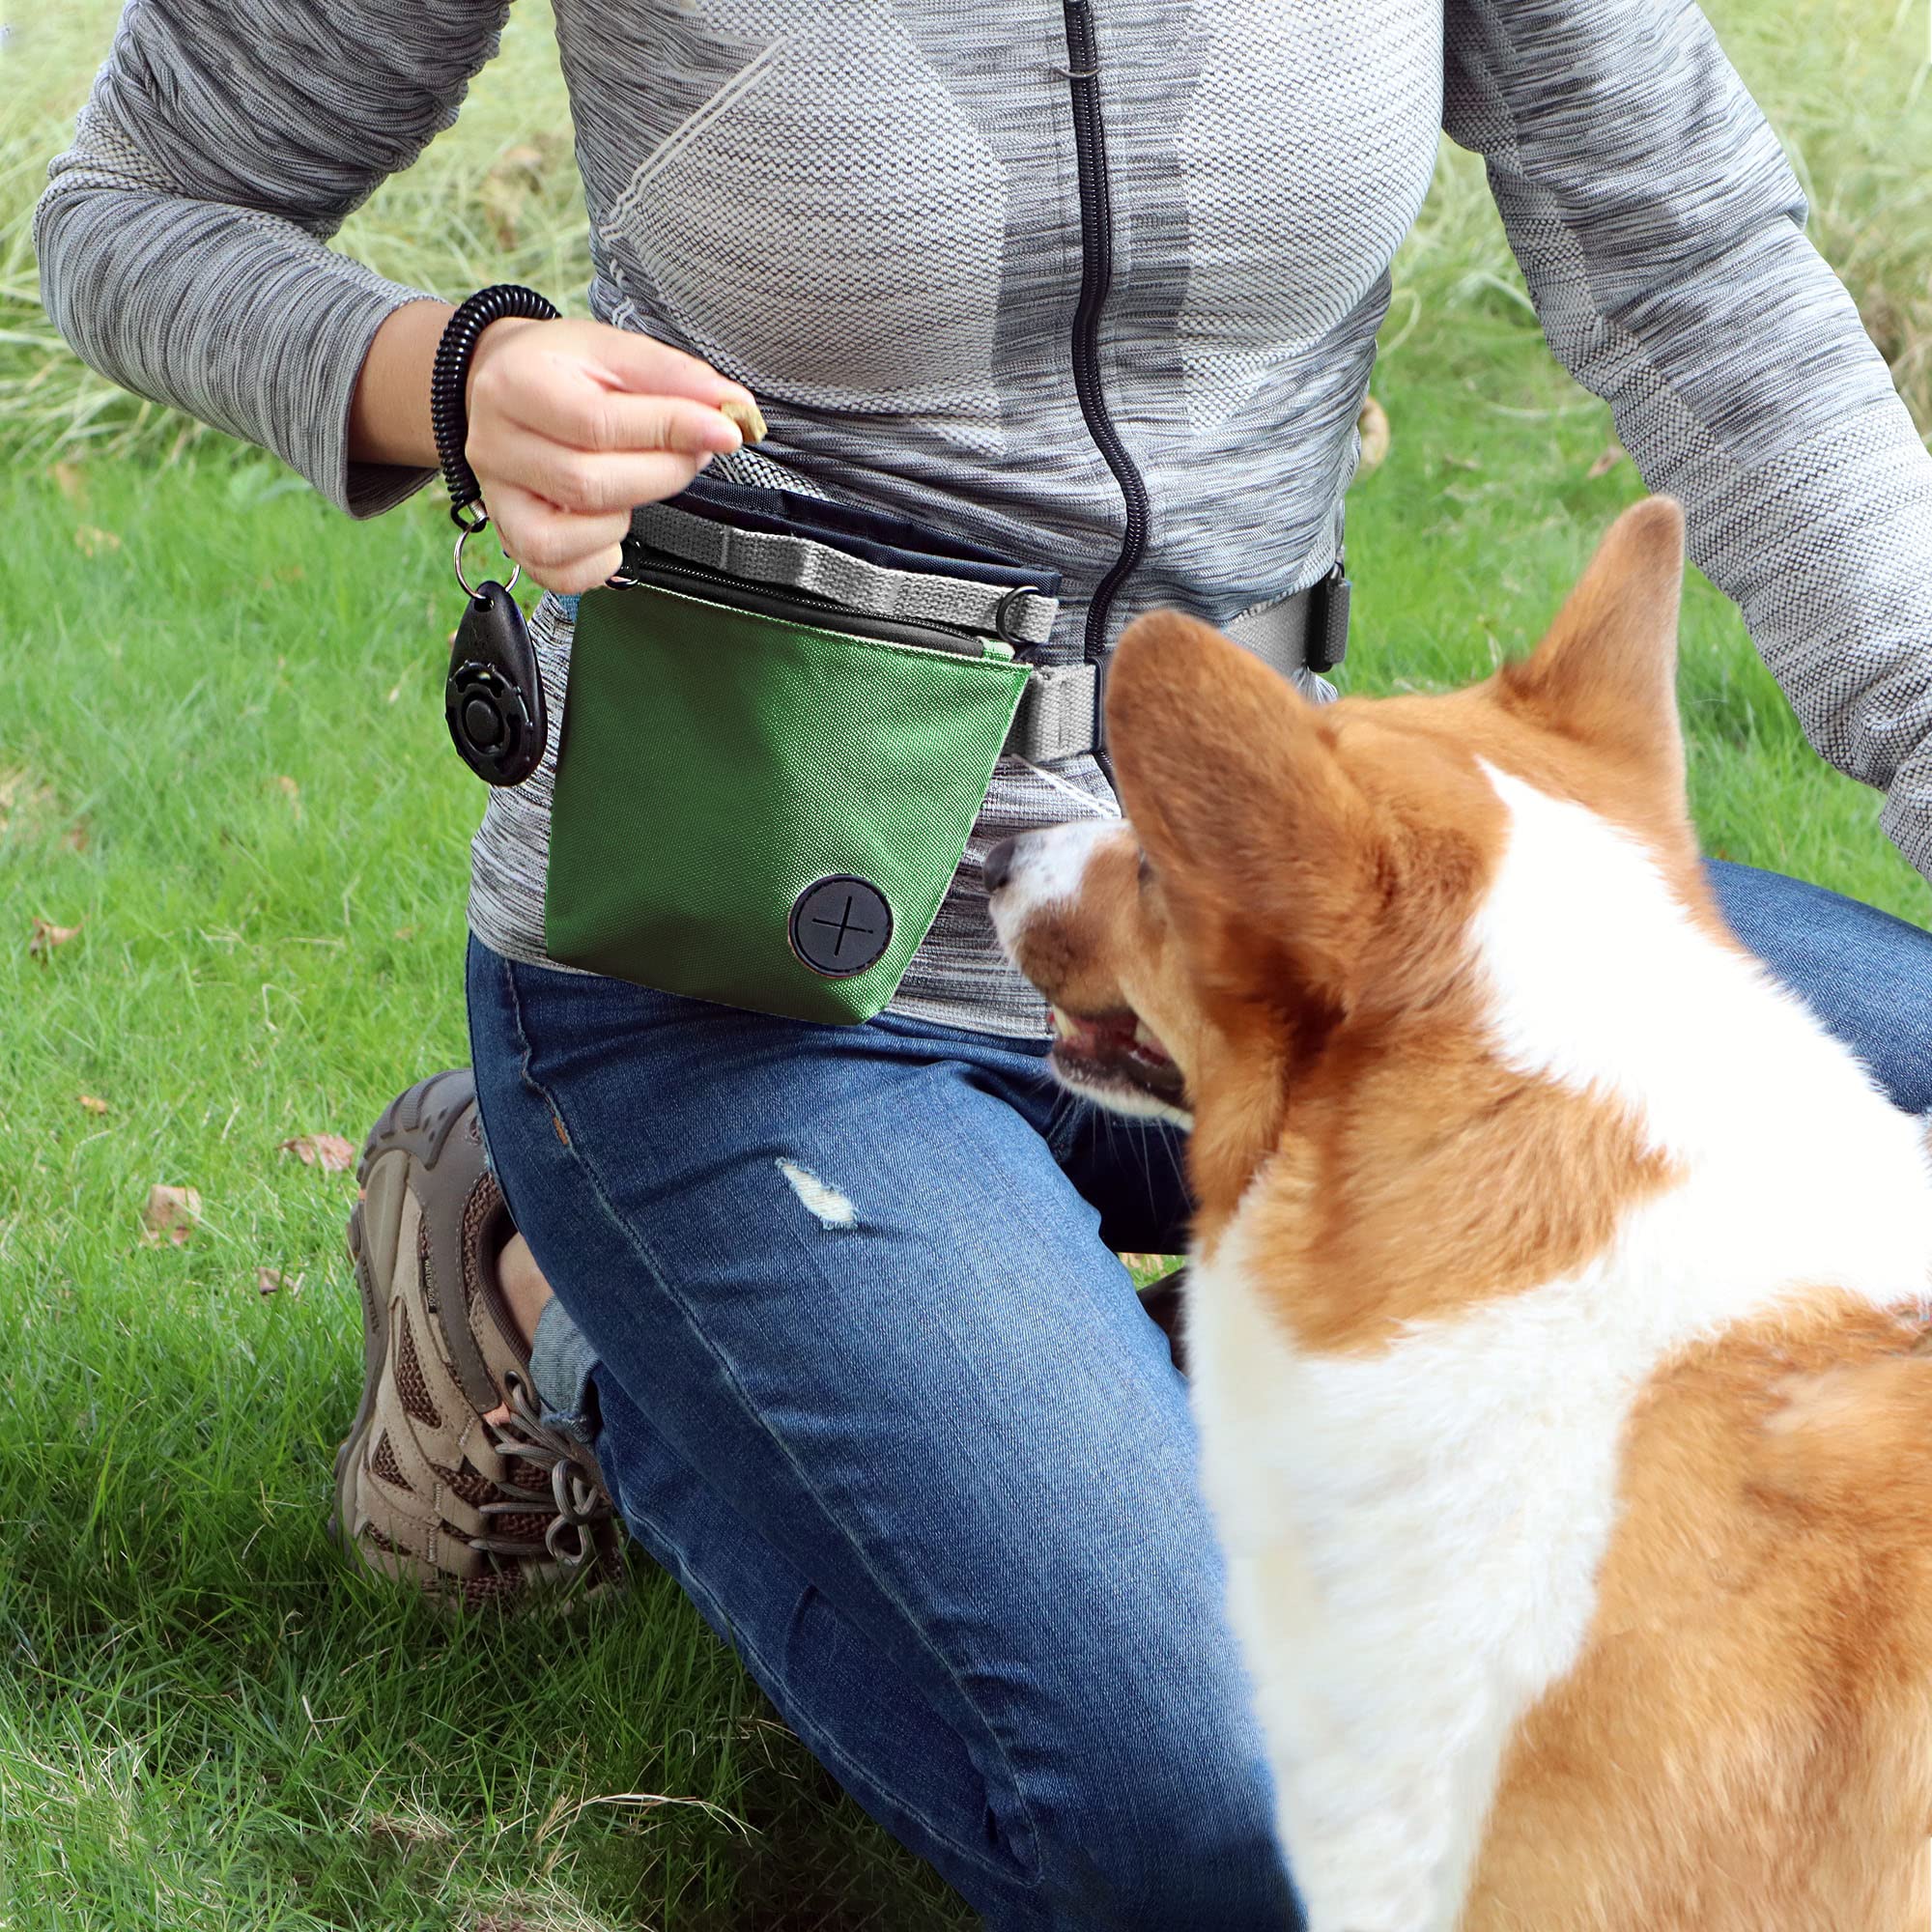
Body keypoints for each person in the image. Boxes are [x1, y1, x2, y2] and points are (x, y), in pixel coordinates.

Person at [36, 2, 1932, 1923]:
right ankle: (551, 1305)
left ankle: (1176, 1384)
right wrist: (436, 371)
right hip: (764, 973)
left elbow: (1694, 266)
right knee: (1245, 1814)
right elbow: (130, 215)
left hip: (1280, 916)